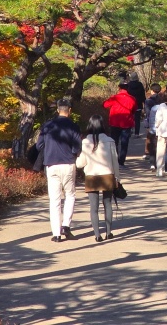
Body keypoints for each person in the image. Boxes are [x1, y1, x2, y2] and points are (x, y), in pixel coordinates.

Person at [37, 98, 82, 242]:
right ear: (70, 110)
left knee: (54, 199)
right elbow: (77, 147)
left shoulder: (48, 125)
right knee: (70, 194)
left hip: (51, 164)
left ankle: (56, 233)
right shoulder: (73, 126)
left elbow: (39, 146)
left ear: (57, 110)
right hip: (68, 163)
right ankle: (66, 225)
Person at [75, 115, 120, 242]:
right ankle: (109, 232)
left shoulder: (85, 142)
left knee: (93, 207)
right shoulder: (110, 141)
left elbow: (80, 163)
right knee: (108, 204)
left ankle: (97, 235)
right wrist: (117, 178)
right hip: (108, 175)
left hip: (92, 176)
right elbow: (115, 161)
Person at [102, 82, 137, 166]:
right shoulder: (132, 98)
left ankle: (115, 158)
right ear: (128, 88)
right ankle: (122, 160)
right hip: (127, 122)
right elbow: (134, 110)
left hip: (115, 122)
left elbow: (105, 105)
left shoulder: (115, 98)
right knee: (125, 142)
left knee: (114, 141)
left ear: (119, 88)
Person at [142, 83, 162, 163]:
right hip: (161, 121)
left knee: (149, 138)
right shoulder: (162, 99)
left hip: (150, 121)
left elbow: (147, 111)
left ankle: (147, 153)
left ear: (152, 90)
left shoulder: (148, 100)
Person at [124, 72, 147, 138]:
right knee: (137, 120)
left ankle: (129, 131)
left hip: (130, 105)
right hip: (138, 104)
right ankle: (137, 133)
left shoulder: (128, 85)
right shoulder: (140, 85)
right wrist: (144, 102)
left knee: (130, 118)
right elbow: (143, 95)